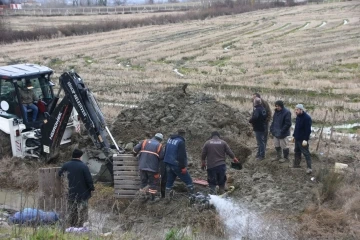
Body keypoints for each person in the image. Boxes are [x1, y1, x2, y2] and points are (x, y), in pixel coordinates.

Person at [58, 149, 94, 227]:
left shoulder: (66, 165)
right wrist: (91, 189)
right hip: (83, 193)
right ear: (80, 157)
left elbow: (59, 174)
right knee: (83, 211)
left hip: (71, 192)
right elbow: (89, 180)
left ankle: (73, 225)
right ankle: (82, 226)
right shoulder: (84, 166)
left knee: (72, 211)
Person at [133, 133, 164, 203]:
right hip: (153, 168)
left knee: (143, 182)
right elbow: (161, 157)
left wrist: (135, 154)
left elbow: (135, 150)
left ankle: (142, 198)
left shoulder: (144, 141)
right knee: (153, 183)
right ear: (160, 140)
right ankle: (152, 199)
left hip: (142, 167)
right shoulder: (159, 145)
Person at [163, 129, 194, 201]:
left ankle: (167, 197)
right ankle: (192, 197)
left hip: (168, 162)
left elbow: (166, 150)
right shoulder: (180, 142)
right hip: (176, 164)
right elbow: (181, 155)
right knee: (188, 180)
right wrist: (183, 167)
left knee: (170, 180)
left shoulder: (169, 139)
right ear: (183, 134)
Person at [292, 104, 313, 174]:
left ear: (301, 110)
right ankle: (296, 164)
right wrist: (294, 136)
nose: (296, 111)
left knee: (306, 153)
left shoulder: (307, 118)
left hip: (303, 139)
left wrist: (305, 140)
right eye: (295, 109)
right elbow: (296, 128)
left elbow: (308, 130)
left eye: (297, 110)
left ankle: (309, 168)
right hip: (297, 138)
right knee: (297, 151)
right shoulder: (298, 117)